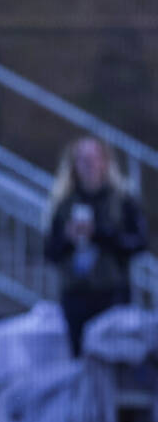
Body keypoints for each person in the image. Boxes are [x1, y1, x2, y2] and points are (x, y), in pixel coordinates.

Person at [44, 136, 148, 357]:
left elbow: (140, 243)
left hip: (113, 295)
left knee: (113, 363)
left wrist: (99, 233)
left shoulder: (122, 200)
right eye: (81, 159)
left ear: (104, 162)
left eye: (92, 158)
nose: (88, 165)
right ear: (74, 165)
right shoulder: (64, 204)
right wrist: (68, 238)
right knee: (80, 362)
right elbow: (50, 252)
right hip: (76, 295)